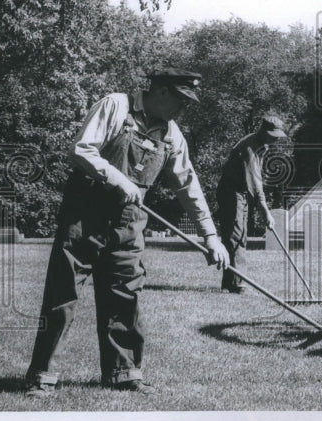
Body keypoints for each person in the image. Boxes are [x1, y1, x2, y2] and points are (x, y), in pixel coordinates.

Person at [23, 69, 230, 398]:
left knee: (125, 296)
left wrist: (211, 236)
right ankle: (41, 375)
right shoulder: (115, 106)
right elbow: (81, 150)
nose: (183, 109)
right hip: (84, 216)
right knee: (62, 296)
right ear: (161, 91)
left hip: (129, 223)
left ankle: (123, 374)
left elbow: (188, 186)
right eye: (181, 100)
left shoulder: (171, 134)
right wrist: (119, 179)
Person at [216, 116, 286, 292]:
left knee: (241, 235)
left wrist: (262, 208)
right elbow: (254, 182)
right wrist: (265, 211)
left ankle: (231, 282)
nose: (276, 139)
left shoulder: (262, 144)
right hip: (231, 192)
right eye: (273, 135)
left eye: (278, 136)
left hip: (241, 192)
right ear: (263, 131)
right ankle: (236, 283)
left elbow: (257, 179)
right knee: (235, 235)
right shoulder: (249, 148)